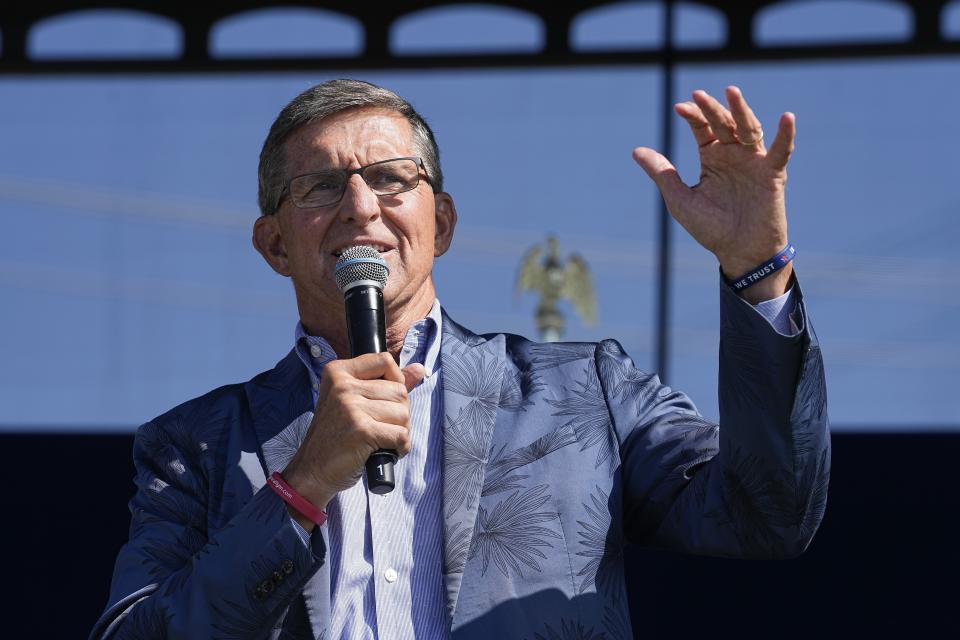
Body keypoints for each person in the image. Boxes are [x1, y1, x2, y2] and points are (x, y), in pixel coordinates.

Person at [91, 78, 829, 640]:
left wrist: (756, 269)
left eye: (391, 178)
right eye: (320, 186)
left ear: (439, 222)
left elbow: (767, 515)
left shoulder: (586, 392)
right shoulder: (197, 444)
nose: (361, 206)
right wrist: (302, 487)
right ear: (274, 243)